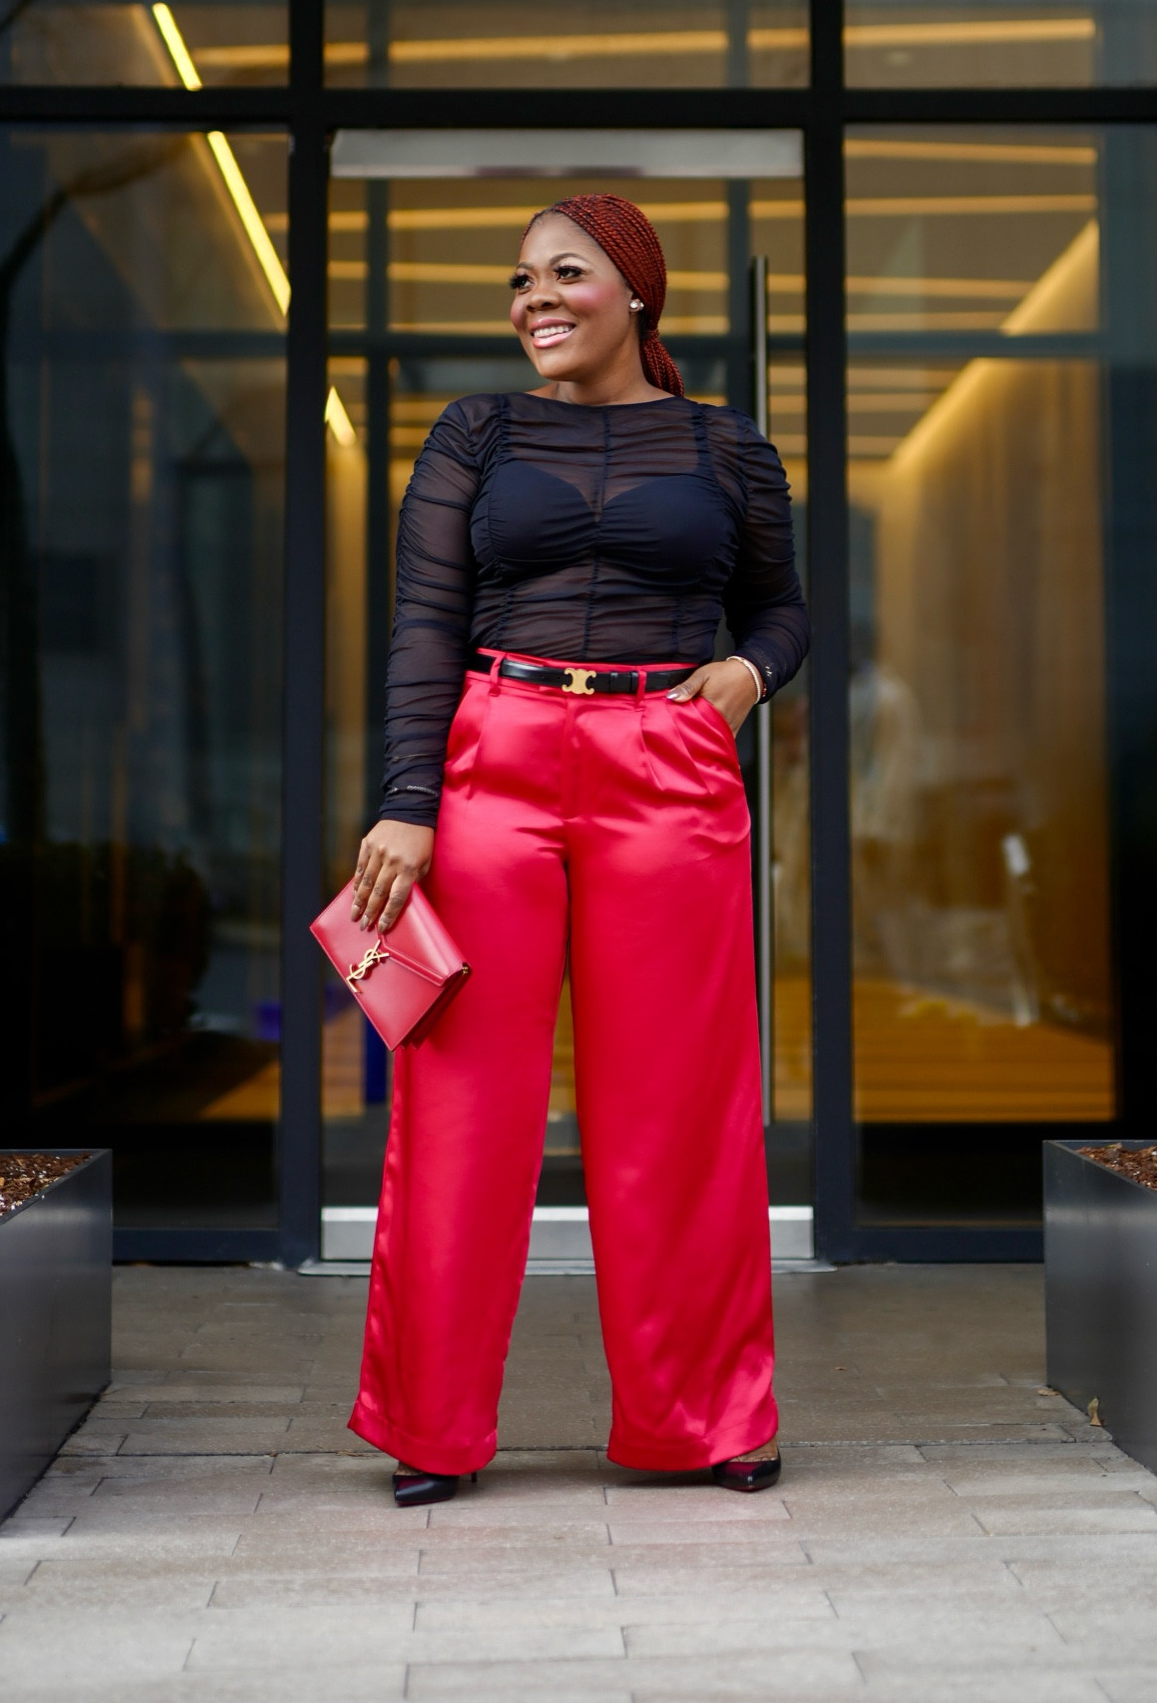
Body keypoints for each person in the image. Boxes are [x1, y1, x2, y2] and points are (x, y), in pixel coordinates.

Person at [347, 192, 811, 1506]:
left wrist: (742, 679)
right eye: (519, 281)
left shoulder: (729, 452)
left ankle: (703, 1418)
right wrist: (405, 799)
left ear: (638, 294)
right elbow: (426, 624)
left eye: (565, 274)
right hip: (494, 758)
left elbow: (783, 612)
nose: (533, 299)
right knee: (459, 1107)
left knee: (679, 1111)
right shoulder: (475, 434)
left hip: (666, 766)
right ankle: (431, 1428)